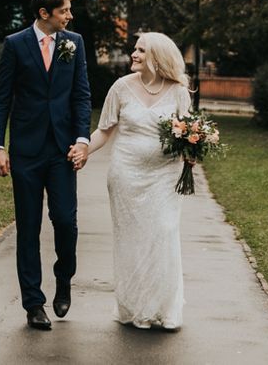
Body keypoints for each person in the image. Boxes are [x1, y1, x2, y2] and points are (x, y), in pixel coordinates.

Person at [67, 32, 191, 330]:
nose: (133, 54)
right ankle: (135, 307)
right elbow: (105, 130)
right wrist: (83, 149)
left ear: (157, 57)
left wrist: (193, 149)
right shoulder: (121, 88)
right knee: (132, 241)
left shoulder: (178, 91)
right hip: (126, 174)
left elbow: (187, 132)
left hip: (164, 176)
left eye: (140, 50)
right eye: (134, 49)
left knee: (162, 233)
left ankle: (163, 308)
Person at [0, 0, 92, 330]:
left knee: (66, 221)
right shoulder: (15, 45)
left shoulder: (73, 43)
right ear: (44, 13)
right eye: (64, 10)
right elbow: (1, 98)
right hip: (27, 151)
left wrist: (82, 140)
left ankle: (64, 278)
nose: (69, 15)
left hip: (63, 150)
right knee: (28, 227)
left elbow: (81, 95)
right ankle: (33, 303)